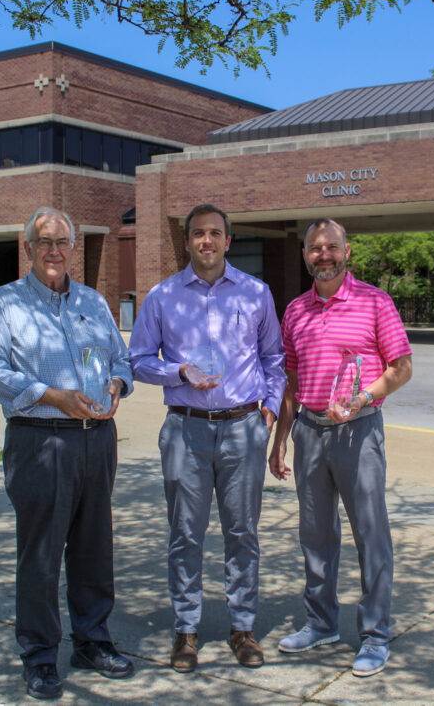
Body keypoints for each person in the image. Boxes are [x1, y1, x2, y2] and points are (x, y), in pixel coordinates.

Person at [0, 206, 135, 700]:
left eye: (62, 242)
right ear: (28, 248)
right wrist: (50, 394)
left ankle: (92, 639)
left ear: (73, 248)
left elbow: (121, 358)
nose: (54, 251)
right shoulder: (6, 305)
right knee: (41, 554)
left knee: (94, 548)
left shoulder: (93, 302)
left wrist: (116, 383)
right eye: (44, 242)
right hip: (39, 440)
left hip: (96, 439)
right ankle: (40, 656)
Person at [129, 203, 286, 673]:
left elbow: (273, 360)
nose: (206, 241)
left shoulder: (256, 294)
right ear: (188, 241)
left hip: (243, 428)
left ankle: (242, 627)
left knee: (243, 533)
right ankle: (186, 629)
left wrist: (270, 410)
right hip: (185, 428)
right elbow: (137, 359)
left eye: (215, 233)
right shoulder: (162, 297)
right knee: (185, 534)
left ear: (228, 241)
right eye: (198, 234)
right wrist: (176, 369)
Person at [268, 218, 413, 678]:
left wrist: (364, 397)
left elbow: (402, 366)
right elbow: (291, 381)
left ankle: (374, 635)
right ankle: (321, 623)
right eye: (315, 247)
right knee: (315, 535)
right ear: (306, 254)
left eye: (332, 246)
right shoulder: (294, 311)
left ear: (347, 252)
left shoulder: (374, 301)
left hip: (359, 433)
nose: (323, 254)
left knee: (370, 534)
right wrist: (280, 443)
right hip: (309, 431)